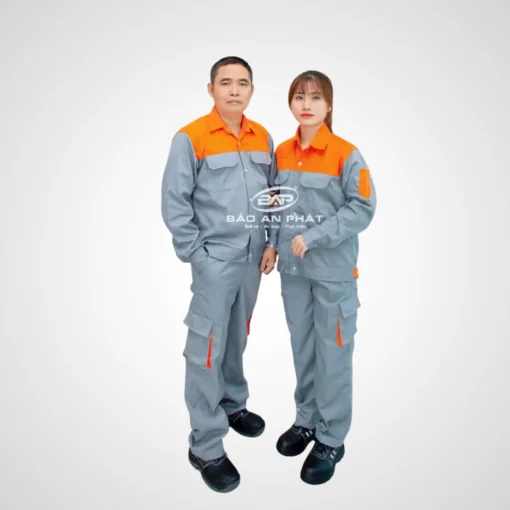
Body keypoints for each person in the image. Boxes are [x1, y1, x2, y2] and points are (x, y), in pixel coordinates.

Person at [161, 56, 278, 493]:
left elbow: (273, 196)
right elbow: (175, 202)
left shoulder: (262, 136)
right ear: (210, 89)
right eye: (225, 82)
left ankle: (232, 403)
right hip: (215, 260)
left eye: (242, 83)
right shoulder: (190, 137)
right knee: (206, 347)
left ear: (251, 90)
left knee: (236, 336)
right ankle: (206, 445)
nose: (234, 90)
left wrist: (272, 242)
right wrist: (198, 256)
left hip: (253, 260)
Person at [274, 70, 376, 485]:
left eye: (316, 97)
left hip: (332, 274)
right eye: (299, 96)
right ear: (291, 103)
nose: (307, 104)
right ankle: (306, 420)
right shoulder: (281, 152)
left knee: (332, 354)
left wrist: (314, 236)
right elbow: (274, 205)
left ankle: (332, 437)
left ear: (329, 105)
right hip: (293, 273)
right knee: (303, 349)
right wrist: (272, 245)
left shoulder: (346, 154)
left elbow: (362, 208)